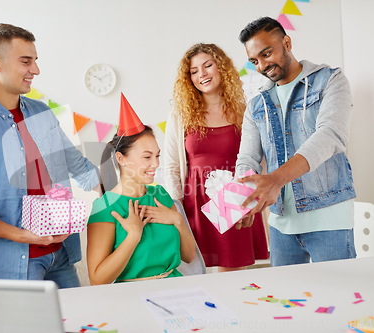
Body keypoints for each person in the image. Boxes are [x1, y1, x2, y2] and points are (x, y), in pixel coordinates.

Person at [0, 23, 99, 287]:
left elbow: (78, 165)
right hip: (13, 264)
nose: (35, 70)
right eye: (26, 61)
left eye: (35, 61)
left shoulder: (41, 112)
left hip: (61, 255)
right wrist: (23, 236)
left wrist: (121, 196)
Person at [236, 17, 356, 266]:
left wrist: (276, 178)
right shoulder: (257, 104)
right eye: (254, 61)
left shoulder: (330, 81)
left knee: (338, 302)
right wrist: (242, 200)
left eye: (266, 54)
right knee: (285, 301)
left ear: (287, 42)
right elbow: (247, 158)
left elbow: (330, 135)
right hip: (280, 225)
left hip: (329, 219)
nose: (261, 66)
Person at [163, 43, 268, 272]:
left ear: (221, 68)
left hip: (235, 198)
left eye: (208, 65)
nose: (202, 74)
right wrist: (176, 206)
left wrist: (253, 198)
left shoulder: (244, 110)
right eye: (194, 71)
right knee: (195, 269)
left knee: (232, 270)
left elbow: (258, 160)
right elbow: (170, 165)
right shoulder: (180, 114)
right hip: (194, 200)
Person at [87, 94, 196, 285]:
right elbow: (97, 280)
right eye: (147, 157)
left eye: (157, 156)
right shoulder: (104, 208)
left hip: (175, 286)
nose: (155, 164)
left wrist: (178, 219)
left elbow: (189, 256)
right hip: (132, 296)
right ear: (121, 159)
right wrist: (133, 235)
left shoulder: (160, 194)